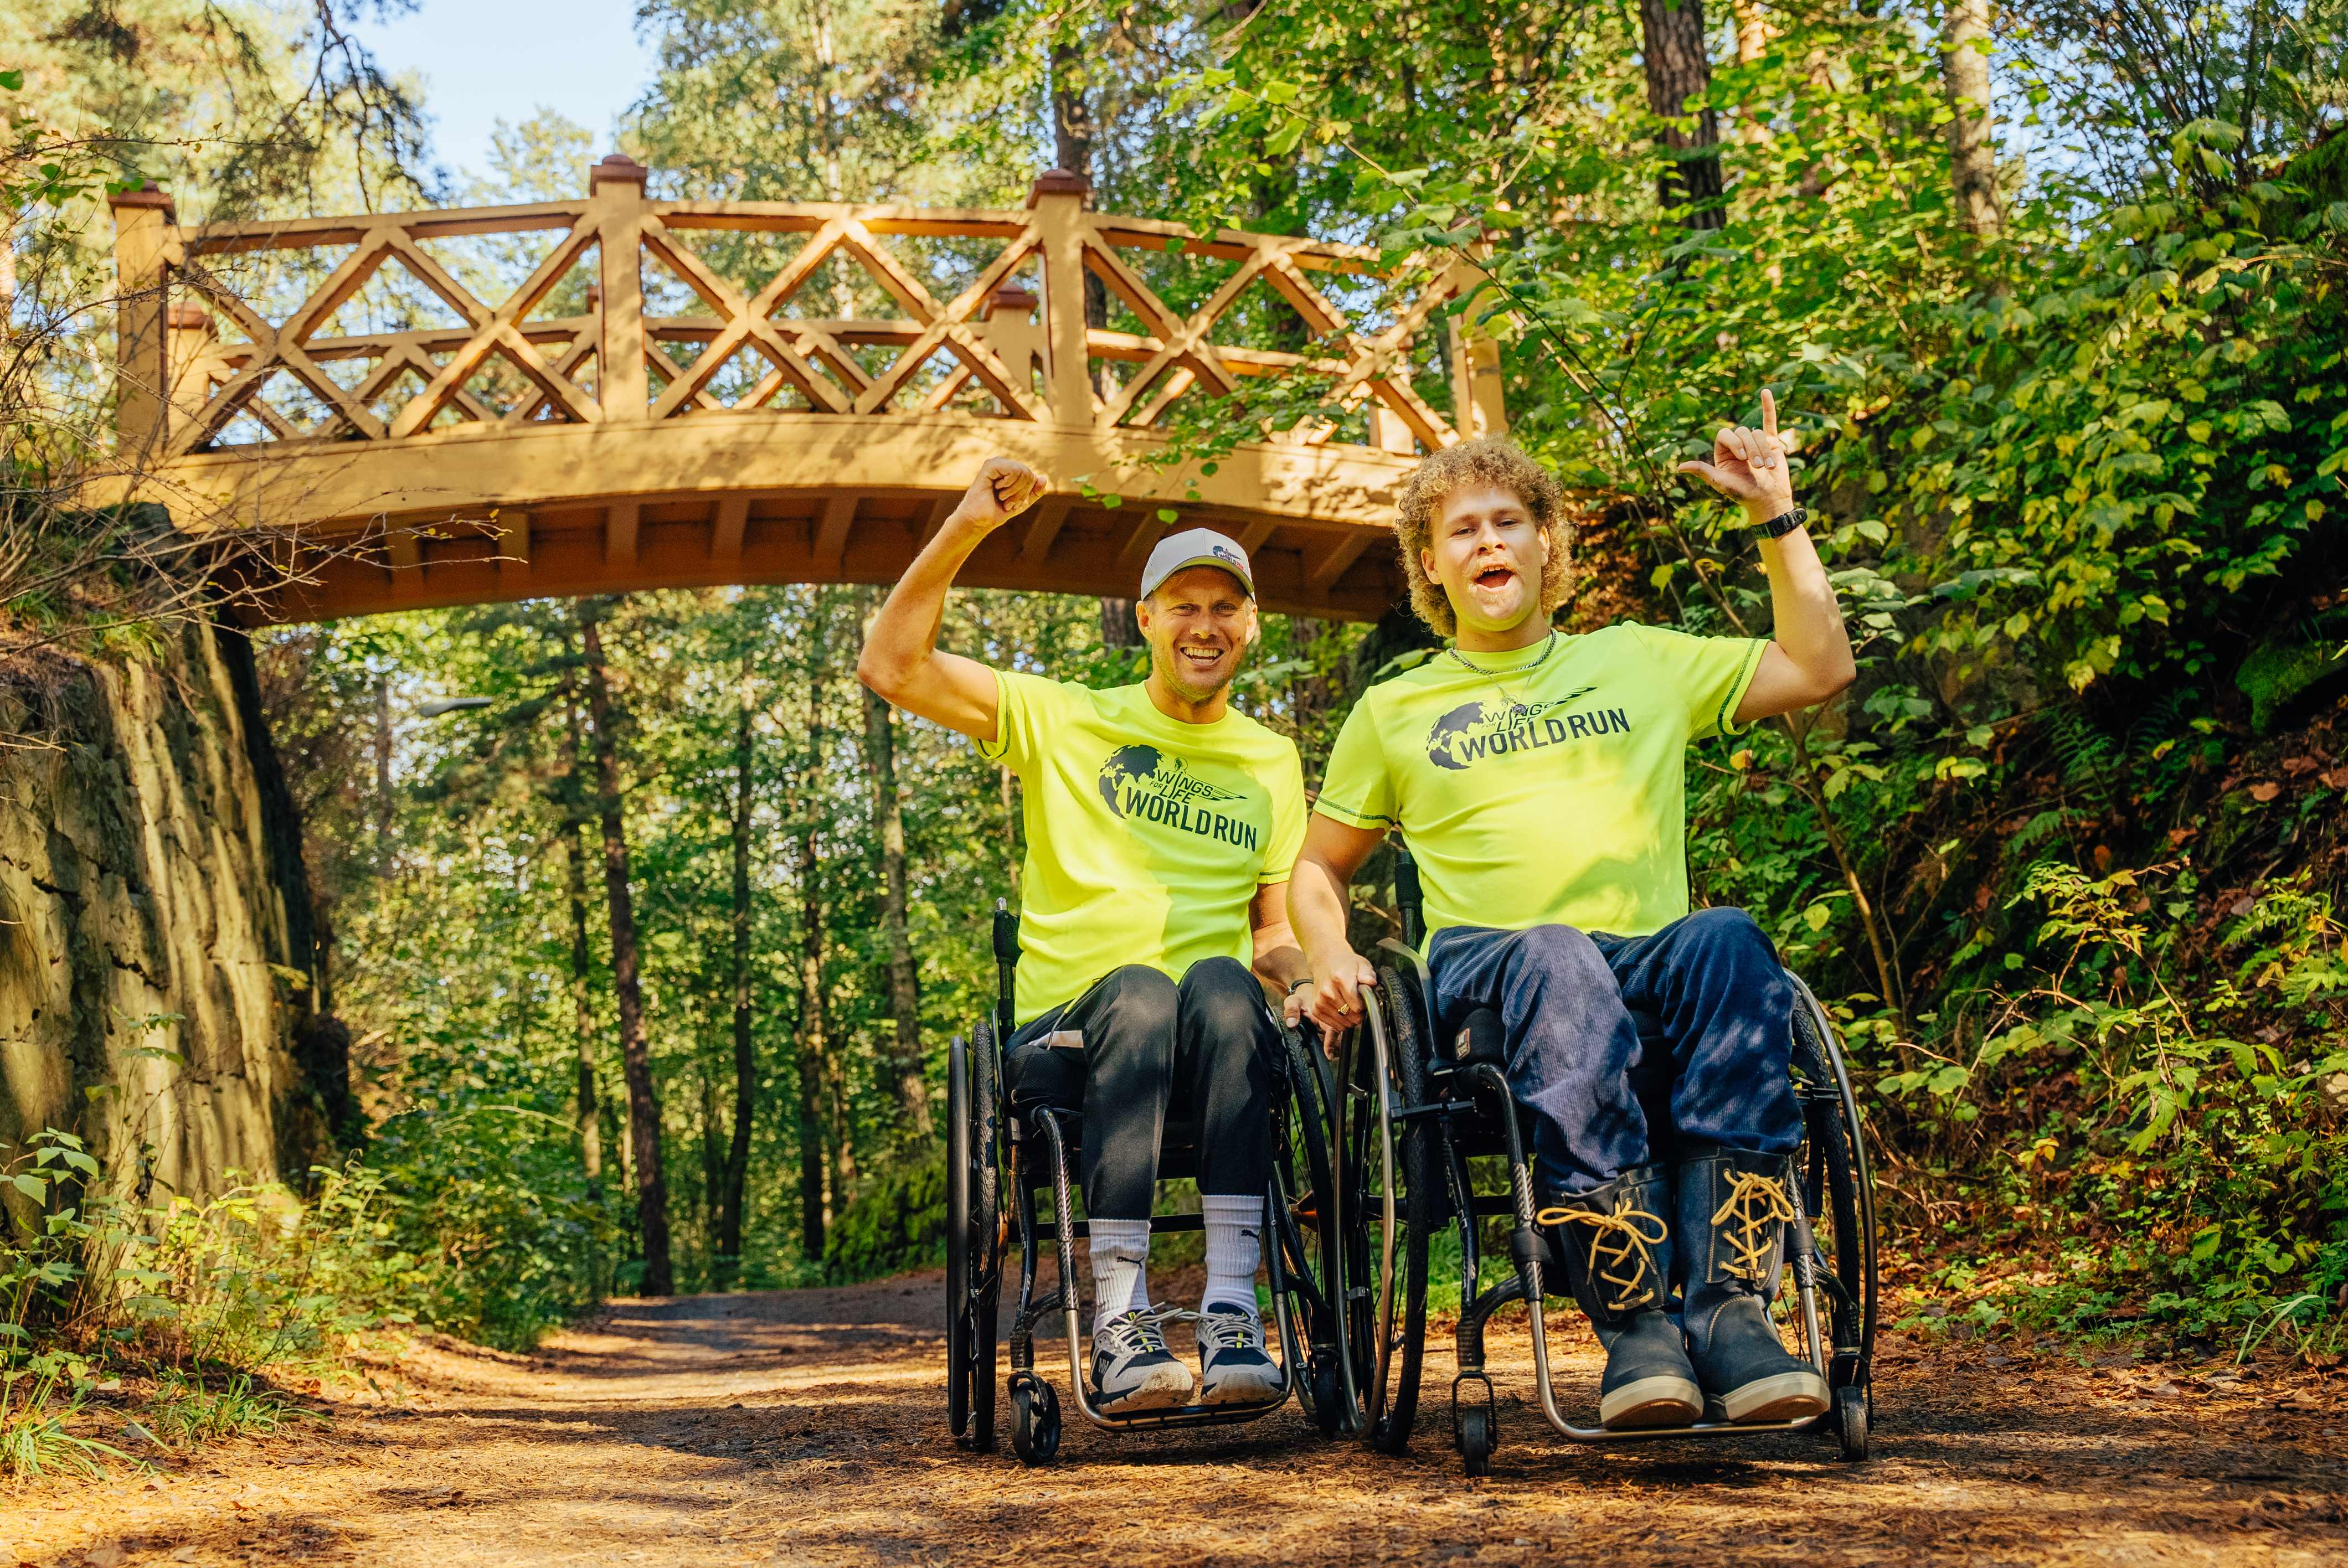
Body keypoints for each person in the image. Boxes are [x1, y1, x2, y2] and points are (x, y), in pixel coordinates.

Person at [1284, 390, 1856, 1432]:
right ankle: (1635, 1321)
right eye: (1462, 530)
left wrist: (1776, 515)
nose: (1487, 541)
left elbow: (1820, 667)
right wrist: (1329, 951)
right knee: (1555, 953)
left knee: (1729, 939)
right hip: (1493, 972)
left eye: (1508, 520)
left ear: (1546, 544)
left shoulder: (1637, 658)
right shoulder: (1394, 710)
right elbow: (1318, 866)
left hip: (1645, 960)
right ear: (1432, 566)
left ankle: (1731, 1310)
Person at [858, 458, 1312, 1414]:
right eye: (1183, 605)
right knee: (1142, 990)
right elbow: (891, 667)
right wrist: (967, 526)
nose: (1204, 625)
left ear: (1251, 625)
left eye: (1224, 608)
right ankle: (1120, 1320)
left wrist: (1309, 977)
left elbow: (1271, 928)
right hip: (1070, 1044)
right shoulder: (1064, 718)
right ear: (1145, 619)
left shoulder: (1272, 760)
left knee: (1227, 981)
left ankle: (1234, 1309)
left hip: (1216, 1045)